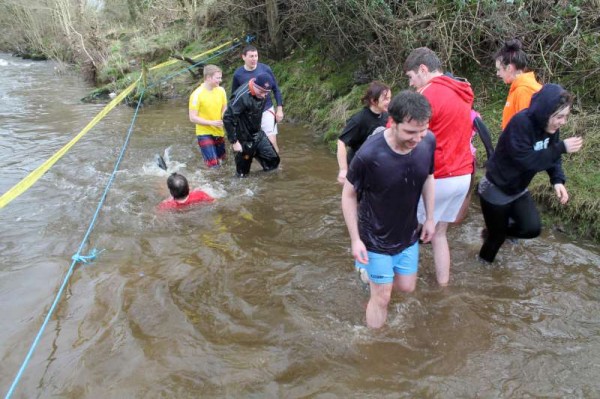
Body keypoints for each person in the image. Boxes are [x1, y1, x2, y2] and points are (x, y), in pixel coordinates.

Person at [341, 90, 436, 329]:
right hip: (374, 237)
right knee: (382, 297)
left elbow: (428, 177)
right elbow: (349, 195)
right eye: (410, 132)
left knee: (406, 287)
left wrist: (431, 218)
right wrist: (355, 240)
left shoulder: (428, 142)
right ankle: (373, 347)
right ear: (392, 123)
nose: (417, 138)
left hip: (407, 233)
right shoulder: (369, 154)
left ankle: (371, 279)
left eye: (422, 130)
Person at [478, 84, 583, 263]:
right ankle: (482, 270)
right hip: (496, 188)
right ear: (544, 112)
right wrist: (561, 147)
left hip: (518, 189)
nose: (562, 122)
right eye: (559, 117)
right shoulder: (521, 123)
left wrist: (557, 180)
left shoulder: (551, 129)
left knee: (531, 228)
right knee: (496, 240)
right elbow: (525, 161)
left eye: (565, 117)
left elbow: (553, 155)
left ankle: (494, 230)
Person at [403, 47, 474, 286]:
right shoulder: (462, 91)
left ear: (423, 70)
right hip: (462, 175)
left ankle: (405, 288)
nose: (412, 85)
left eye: (411, 77)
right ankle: (443, 287)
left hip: (438, 176)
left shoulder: (428, 95)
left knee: (408, 233)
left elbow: (402, 130)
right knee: (439, 234)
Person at [223, 73, 281, 177]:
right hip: (243, 139)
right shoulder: (241, 96)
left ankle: (265, 184)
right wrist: (234, 142)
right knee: (242, 175)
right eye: (262, 92)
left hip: (258, 134)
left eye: (267, 93)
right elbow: (227, 118)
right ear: (255, 85)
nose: (264, 95)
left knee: (273, 162)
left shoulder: (263, 92)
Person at [231, 45, 284, 153]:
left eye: (256, 56)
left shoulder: (265, 69)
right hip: (248, 113)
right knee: (251, 144)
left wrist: (279, 109)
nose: (254, 59)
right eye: (251, 56)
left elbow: (276, 89)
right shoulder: (238, 74)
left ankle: (277, 166)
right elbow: (234, 96)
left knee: (271, 141)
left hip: (266, 109)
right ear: (243, 57)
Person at [336, 81, 391, 185]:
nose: (389, 102)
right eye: (386, 99)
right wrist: (343, 170)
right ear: (373, 101)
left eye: (390, 98)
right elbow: (341, 142)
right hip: (357, 168)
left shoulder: (386, 116)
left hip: (376, 167)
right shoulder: (359, 120)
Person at [495, 39, 542, 130]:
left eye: (499, 69)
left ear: (509, 68)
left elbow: (526, 130)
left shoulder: (524, 91)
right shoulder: (520, 87)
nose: (497, 74)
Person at [189, 64, 228, 168]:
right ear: (208, 77)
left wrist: (224, 119)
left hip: (219, 130)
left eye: (220, 77)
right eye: (217, 78)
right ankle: (212, 182)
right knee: (213, 165)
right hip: (204, 132)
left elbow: (224, 108)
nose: (220, 80)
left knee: (223, 161)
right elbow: (192, 117)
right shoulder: (196, 95)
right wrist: (211, 123)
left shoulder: (221, 91)